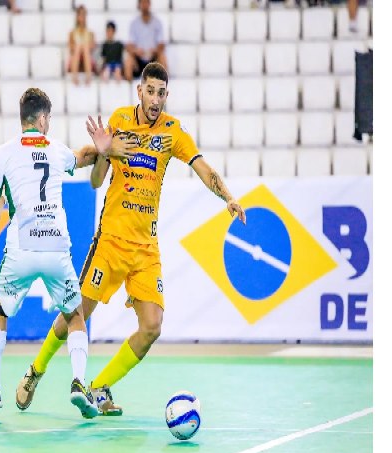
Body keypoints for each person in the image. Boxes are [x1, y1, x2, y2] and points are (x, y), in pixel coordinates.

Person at [16, 62, 246, 416]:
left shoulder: (173, 132)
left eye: (161, 93)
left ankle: (97, 388)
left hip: (145, 249)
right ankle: (36, 371)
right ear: (139, 91)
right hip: (110, 242)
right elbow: (96, 181)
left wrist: (228, 197)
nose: (155, 99)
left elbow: (203, 167)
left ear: (167, 95)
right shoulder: (120, 122)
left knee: (151, 327)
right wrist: (106, 151)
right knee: (74, 314)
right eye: (150, 91)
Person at [0, 88, 135, 418]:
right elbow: (84, 157)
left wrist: (4, 204)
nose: (49, 123)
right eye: (48, 118)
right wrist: (103, 149)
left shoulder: (4, 154)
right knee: (75, 315)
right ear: (41, 119)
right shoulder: (55, 149)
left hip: (22, 248)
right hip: (55, 245)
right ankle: (79, 383)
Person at [123, 0, 167, 81]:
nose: (144, 5)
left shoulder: (157, 22)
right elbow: (129, 46)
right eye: (142, 3)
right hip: (139, 59)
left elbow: (161, 44)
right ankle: (128, 88)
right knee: (128, 61)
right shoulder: (134, 23)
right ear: (139, 5)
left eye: (146, 2)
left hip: (153, 58)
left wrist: (154, 50)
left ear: (149, 4)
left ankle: (163, 86)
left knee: (163, 58)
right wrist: (136, 51)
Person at [67, 5, 96, 85]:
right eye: (80, 14)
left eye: (84, 14)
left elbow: (93, 47)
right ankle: (74, 77)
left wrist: (84, 46)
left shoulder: (90, 33)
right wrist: (80, 47)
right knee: (79, 47)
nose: (82, 17)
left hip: (87, 59)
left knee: (85, 47)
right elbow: (70, 47)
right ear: (77, 16)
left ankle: (88, 77)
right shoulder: (72, 33)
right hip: (76, 59)